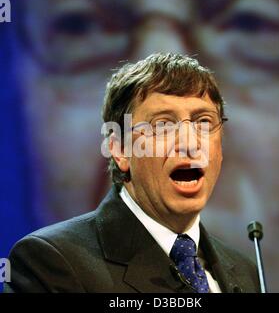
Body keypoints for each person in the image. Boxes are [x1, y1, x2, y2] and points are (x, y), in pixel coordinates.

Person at [4, 53, 260, 293]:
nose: (190, 143)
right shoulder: (50, 262)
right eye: (163, 124)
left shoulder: (246, 273)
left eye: (204, 122)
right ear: (119, 149)